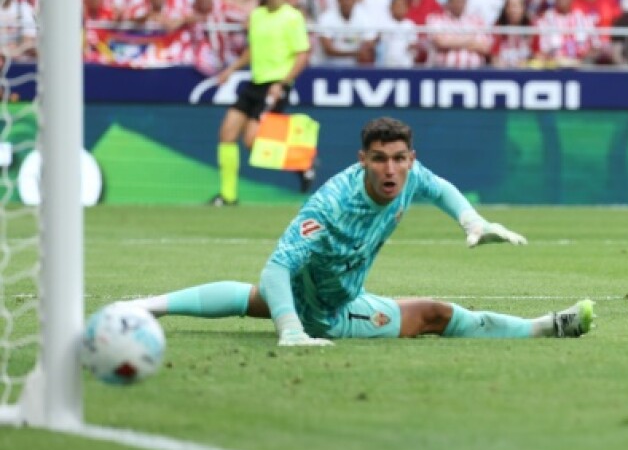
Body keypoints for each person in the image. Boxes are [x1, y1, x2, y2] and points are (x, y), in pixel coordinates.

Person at [129, 118, 594, 346]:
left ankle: (149, 305)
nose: (391, 170)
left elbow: (443, 190)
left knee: (251, 300)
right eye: (379, 159)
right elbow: (276, 269)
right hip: (326, 314)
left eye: (399, 158)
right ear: (362, 160)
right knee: (435, 315)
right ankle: (547, 328)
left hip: (341, 294)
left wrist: (473, 221)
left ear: (410, 158)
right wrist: (291, 329)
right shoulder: (332, 202)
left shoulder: (412, 176)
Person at [211, 0, 313, 206]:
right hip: (254, 83)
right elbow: (251, 51)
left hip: (276, 84)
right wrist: (231, 69)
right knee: (226, 133)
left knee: (252, 141)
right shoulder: (256, 15)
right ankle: (228, 195)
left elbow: (302, 55)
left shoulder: (292, 17)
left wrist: (282, 83)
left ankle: (302, 159)